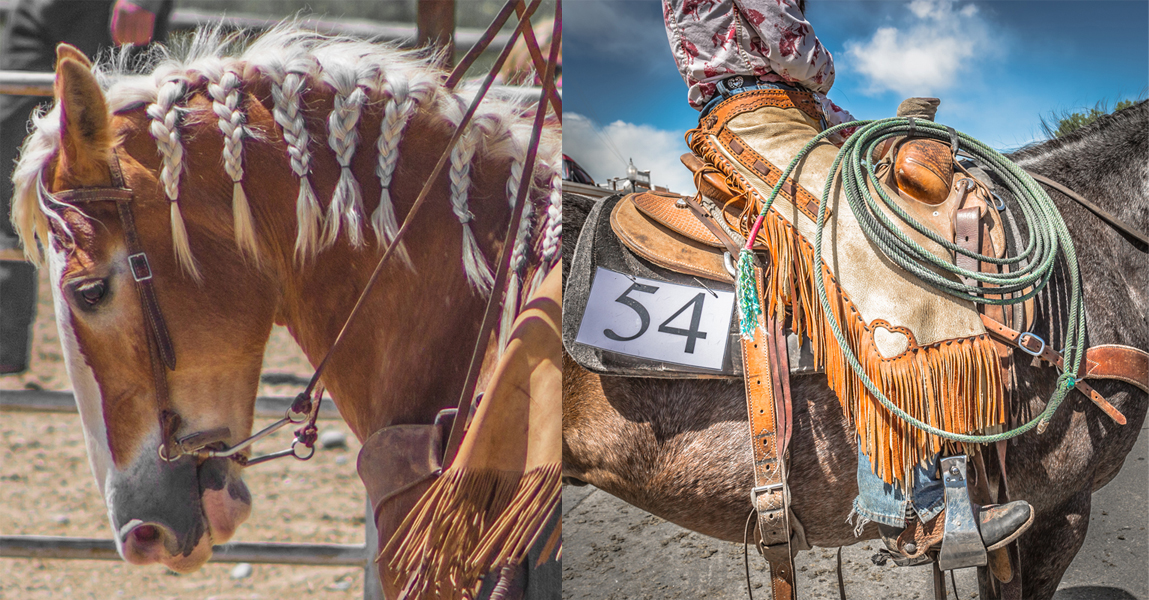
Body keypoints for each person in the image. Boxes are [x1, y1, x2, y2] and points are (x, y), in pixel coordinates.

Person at [661, 0, 1034, 562]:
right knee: (883, 252)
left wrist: (872, 129)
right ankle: (914, 508)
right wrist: (824, 75)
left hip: (792, 115)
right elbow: (794, 52)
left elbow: (805, 89)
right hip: (752, 118)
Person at [0, 0, 173, 374]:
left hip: (106, 10)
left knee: (118, 162)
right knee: (7, 155)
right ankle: (4, 345)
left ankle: (146, 342)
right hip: (33, 9)